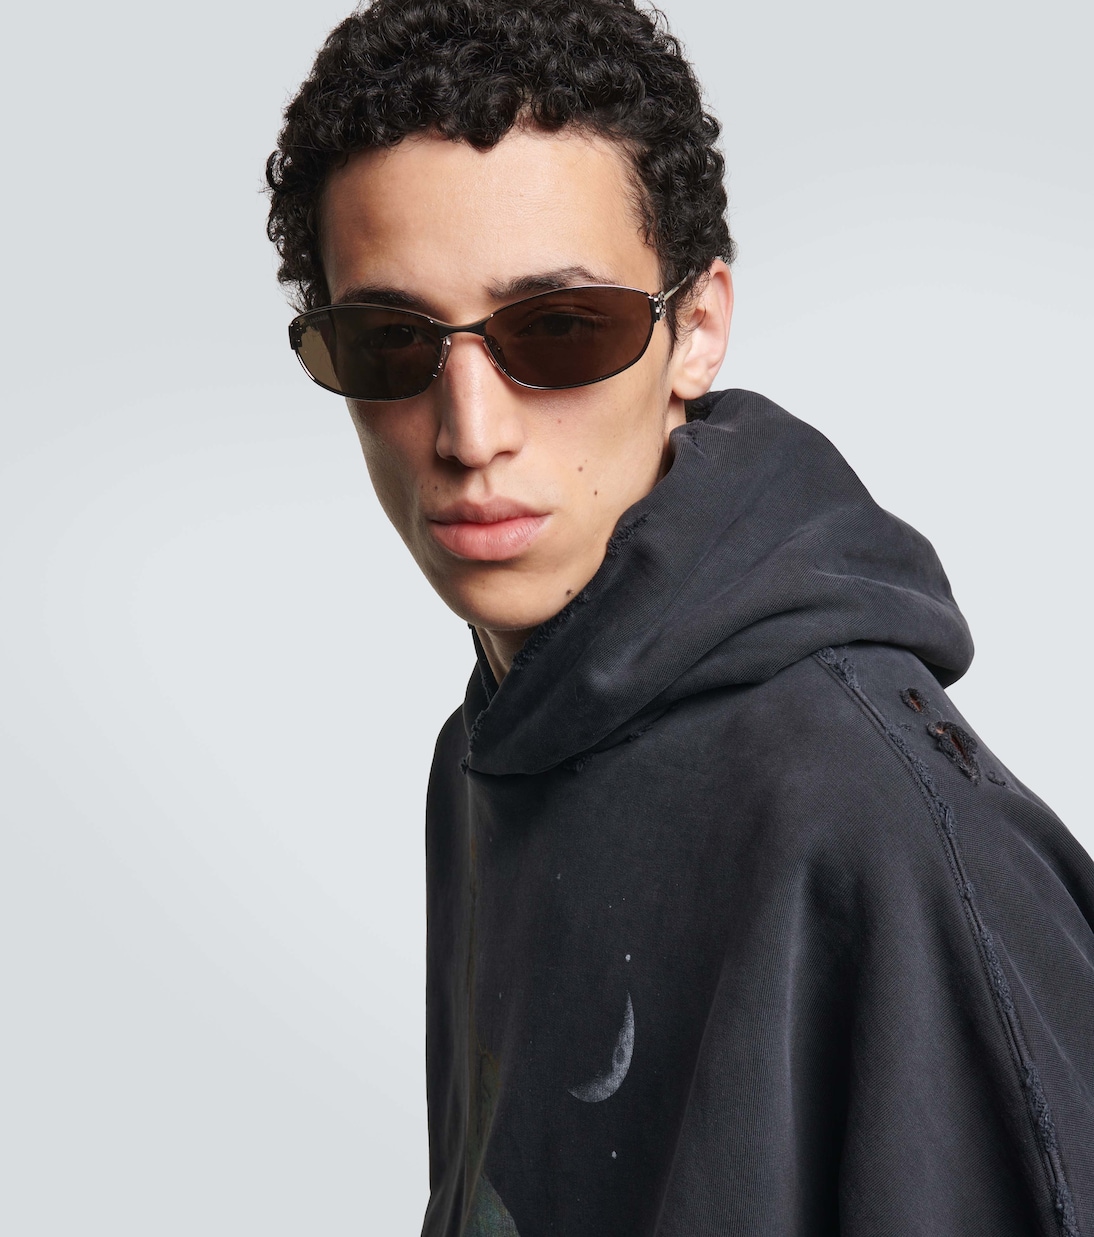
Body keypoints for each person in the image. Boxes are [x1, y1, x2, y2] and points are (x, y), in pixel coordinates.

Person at [266, 1, 1094, 1232]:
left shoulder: (865, 821)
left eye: (558, 329)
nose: (469, 433)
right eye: (389, 342)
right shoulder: (492, 739)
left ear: (694, 330)